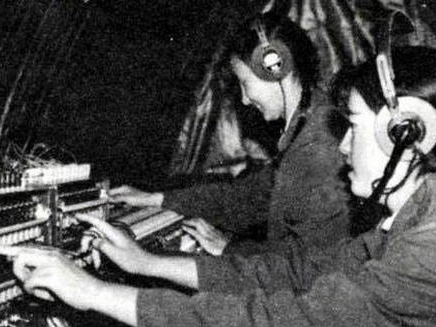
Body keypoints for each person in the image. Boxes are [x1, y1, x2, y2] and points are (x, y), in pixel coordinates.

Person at [0, 46, 436, 327]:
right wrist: (147, 264)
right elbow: (300, 273)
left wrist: (94, 293)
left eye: (352, 126)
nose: (342, 146)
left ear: (403, 134)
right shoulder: (428, 213)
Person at [109, 13, 357, 256]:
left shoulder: (318, 142)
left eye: (244, 83)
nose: (245, 99)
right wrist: (156, 199)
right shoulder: (309, 122)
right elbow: (251, 196)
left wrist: (230, 249)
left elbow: (309, 264)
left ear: (274, 68)